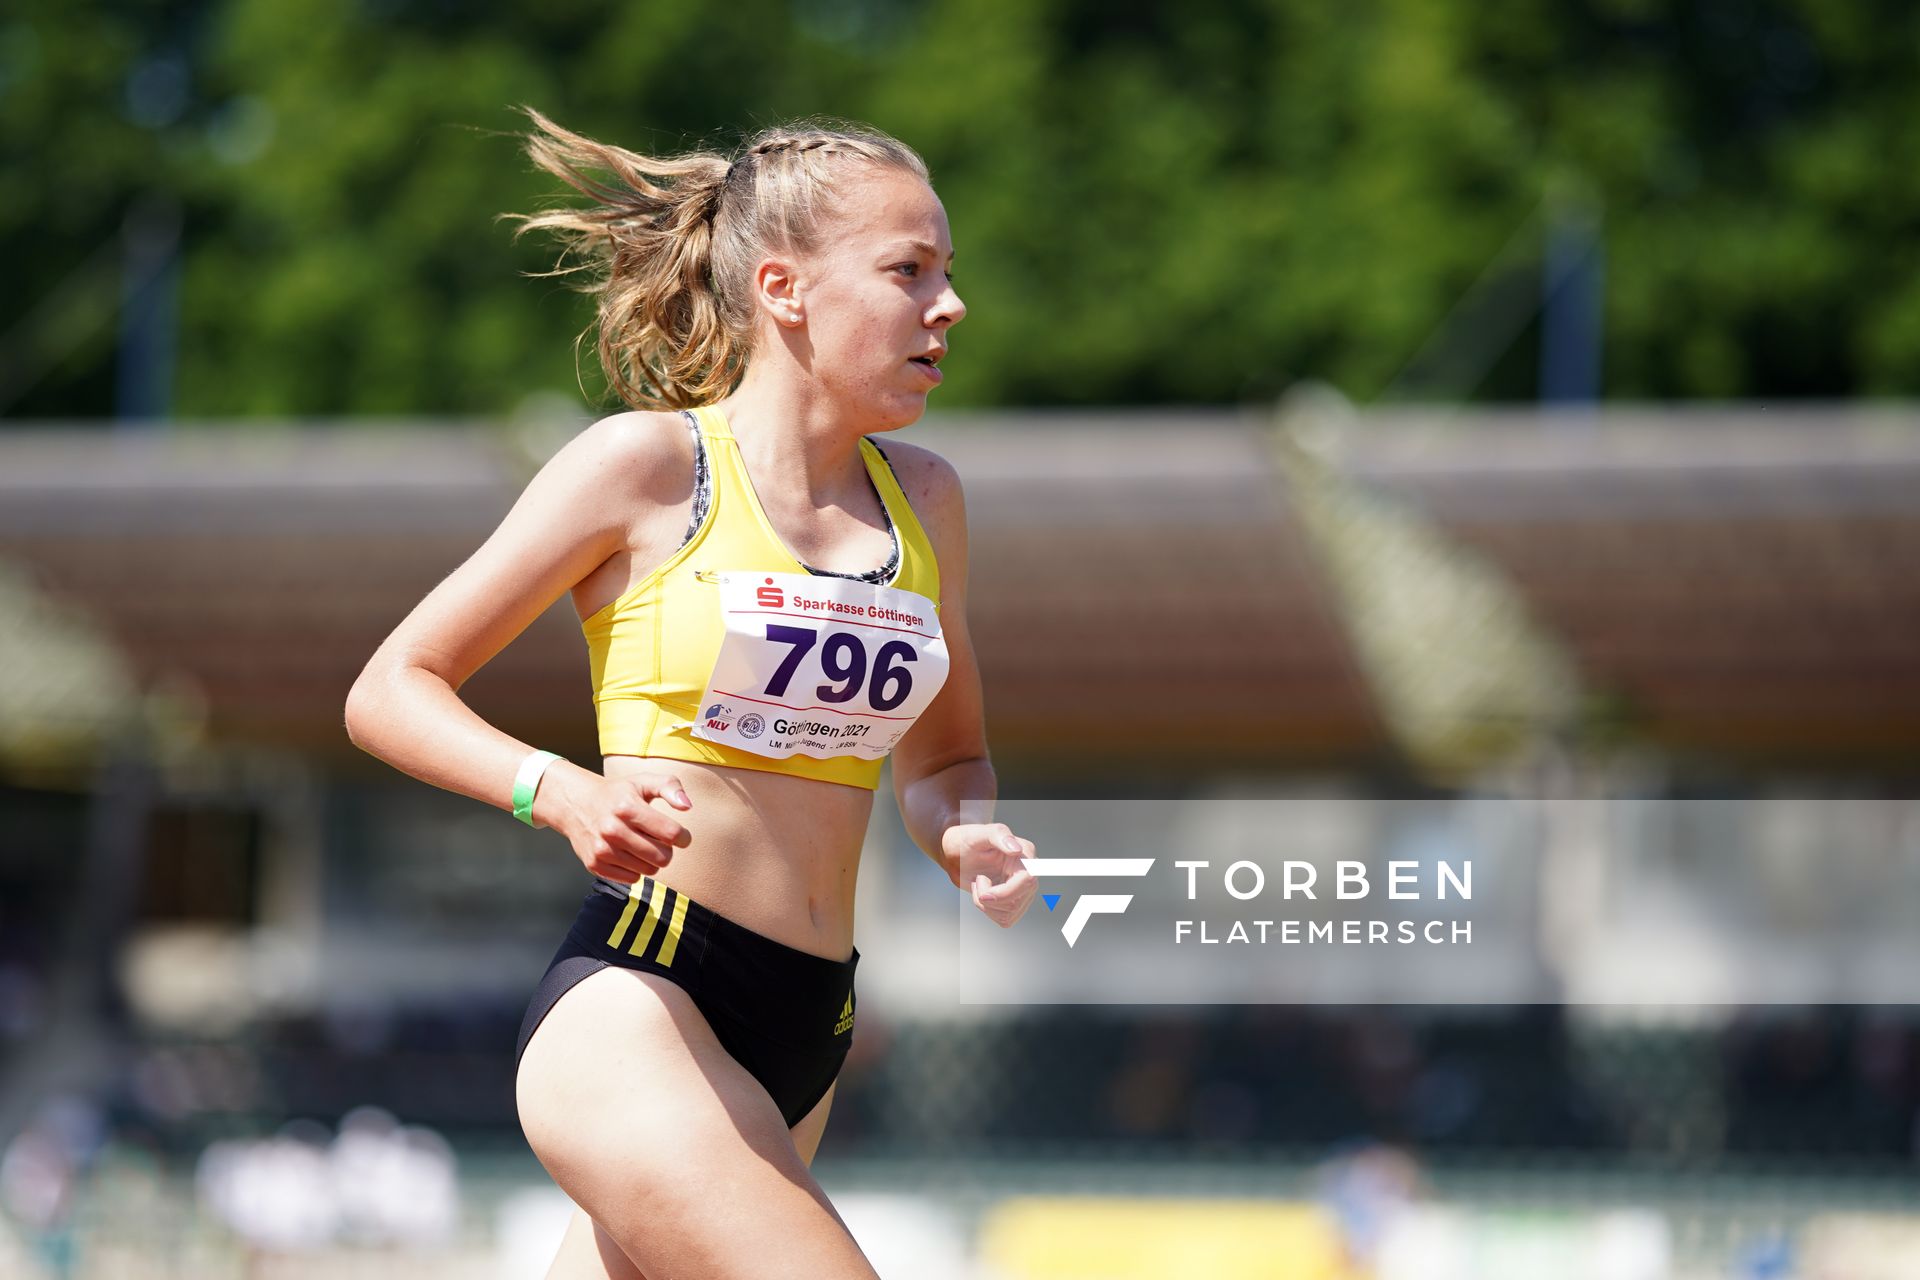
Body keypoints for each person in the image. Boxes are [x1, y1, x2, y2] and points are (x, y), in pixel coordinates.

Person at [343, 105, 1038, 1279]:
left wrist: (970, 839)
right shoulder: (648, 469)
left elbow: (947, 764)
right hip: (640, 1000)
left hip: (809, 1020)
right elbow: (391, 687)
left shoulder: (929, 502)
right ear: (784, 287)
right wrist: (556, 793)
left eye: (949, 272)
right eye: (909, 270)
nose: (949, 305)